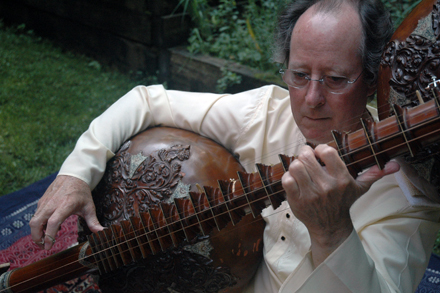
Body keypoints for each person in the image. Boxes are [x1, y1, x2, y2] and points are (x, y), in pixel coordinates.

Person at [30, 0, 440, 292]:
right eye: (299, 75)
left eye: (335, 79)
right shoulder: (265, 111)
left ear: (370, 80)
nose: (311, 98)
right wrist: (75, 172)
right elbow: (145, 101)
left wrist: (332, 231)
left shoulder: (407, 196)